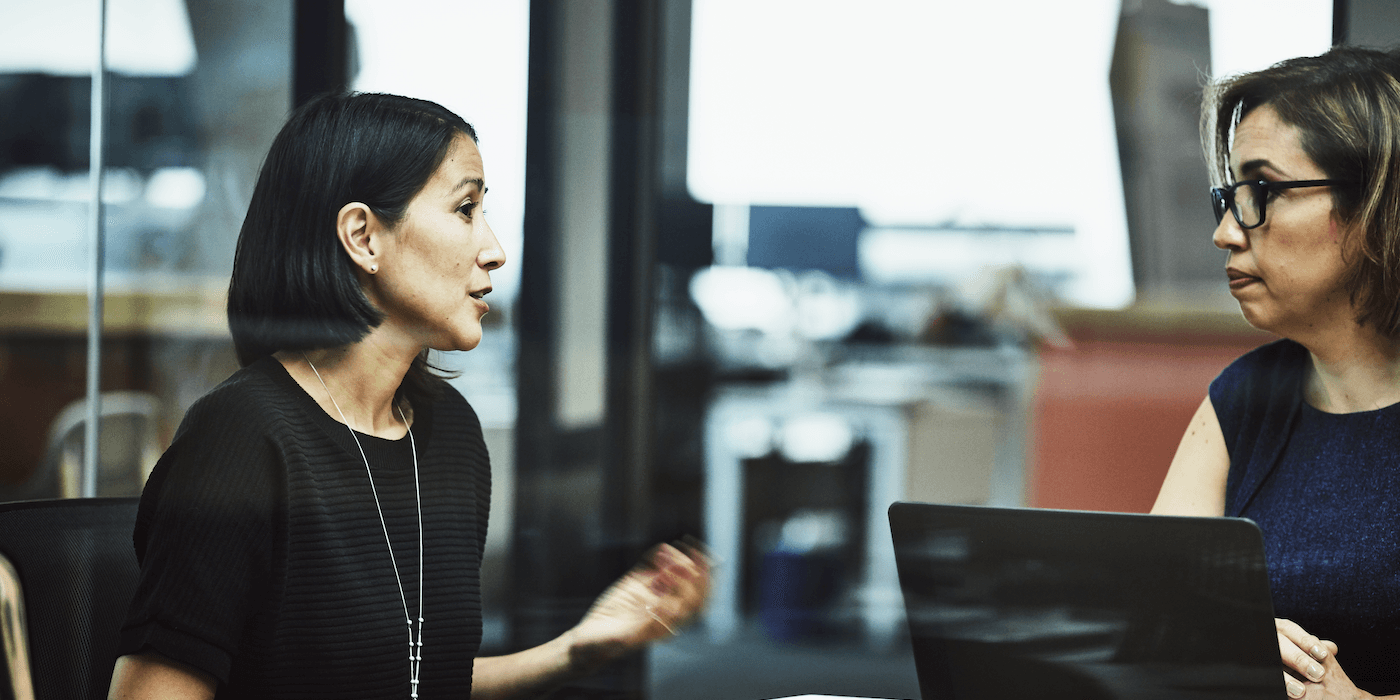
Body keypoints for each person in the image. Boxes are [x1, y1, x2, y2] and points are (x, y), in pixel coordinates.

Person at [107, 92, 709, 700]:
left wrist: (579, 649)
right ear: (364, 236)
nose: (495, 249)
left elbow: (419, 678)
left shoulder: (449, 433)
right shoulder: (240, 439)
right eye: (466, 209)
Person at [1152, 46, 1400, 700]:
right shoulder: (1244, 396)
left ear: (1377, 205)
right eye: (1228, 197)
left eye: (1261, 191)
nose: (1227, 233)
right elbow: (1149, 622)